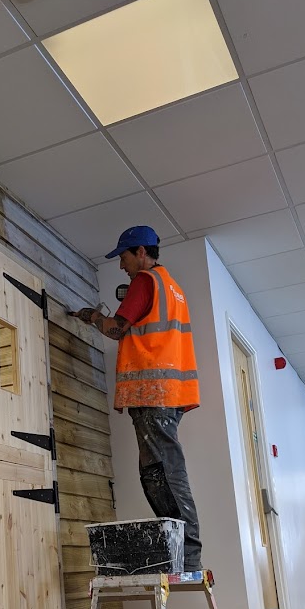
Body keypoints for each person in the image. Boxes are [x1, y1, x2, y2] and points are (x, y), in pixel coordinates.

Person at [70, 225, 202, 571]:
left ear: (141, 253)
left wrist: (90, 316)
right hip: (168, 393)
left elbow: (116, 328)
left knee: (163, 471)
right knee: (156, 471)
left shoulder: (146, 281)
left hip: (153, 391)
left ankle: (187, 555)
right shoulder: (174, 289)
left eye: (124, 257)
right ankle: (178, 552)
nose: (121, 265)